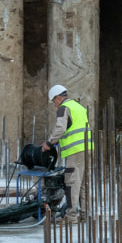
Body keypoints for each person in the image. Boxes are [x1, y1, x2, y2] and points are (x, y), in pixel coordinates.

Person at [41, 84, 89, 219]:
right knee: (83, 182)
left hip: (74, 150)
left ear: (57, 98)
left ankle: (71, 216)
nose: (55, 105)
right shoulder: (78, 106)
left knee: (72, 182)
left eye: (54, 102)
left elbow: (60, 129)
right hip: (86, 148)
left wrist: (49, 143)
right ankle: (85, 214)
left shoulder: (64, 108)